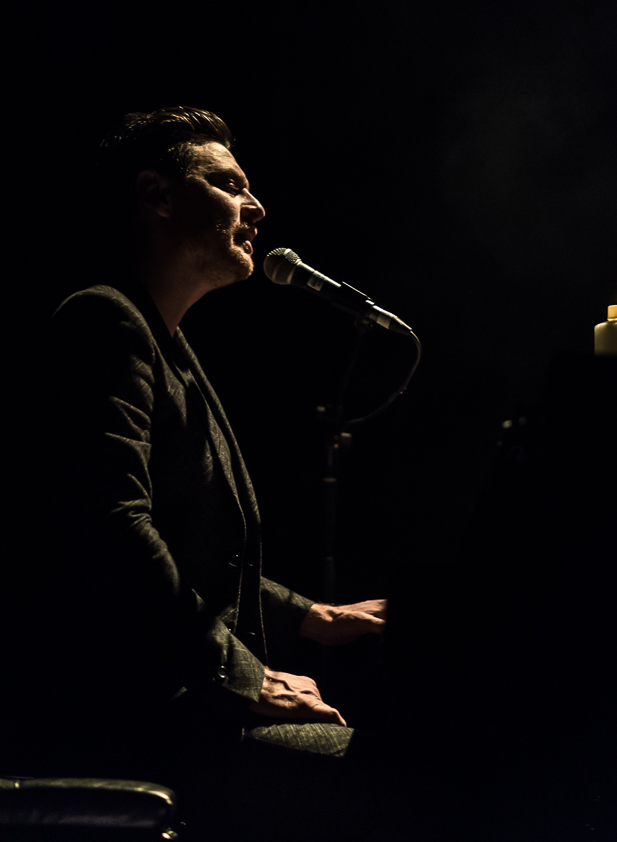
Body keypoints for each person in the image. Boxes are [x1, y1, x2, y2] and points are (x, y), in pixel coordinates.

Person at [26, 106, 390, 839]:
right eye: (230, 184)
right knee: (386, 780)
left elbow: (190, 546)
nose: (256, 206)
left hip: (184, 699)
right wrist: (247, 675)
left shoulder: (167, 341)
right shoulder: (105, 320)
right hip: (142, 714)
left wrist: (312, 617)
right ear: (158, 194)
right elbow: (113, 527)